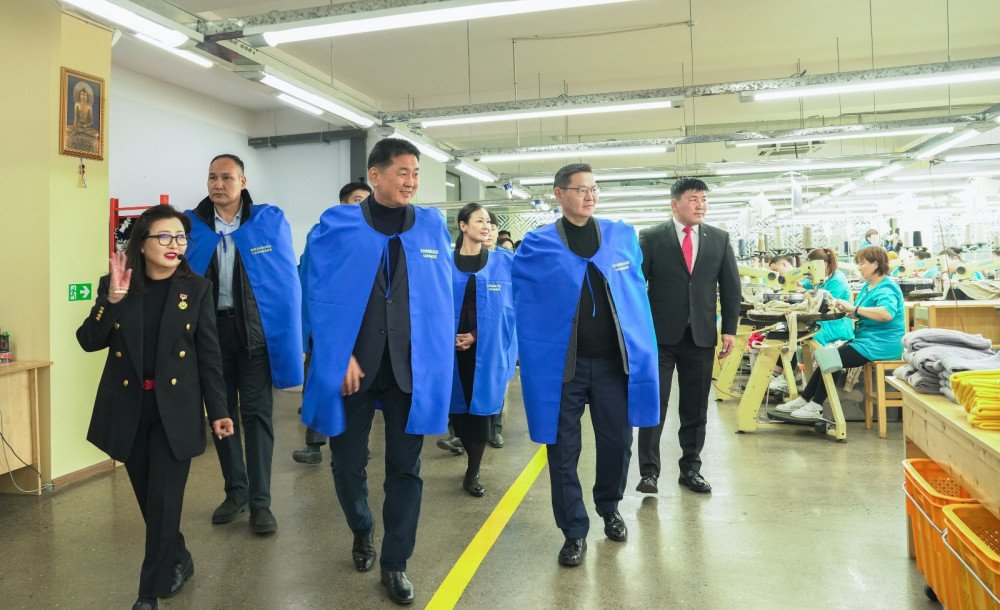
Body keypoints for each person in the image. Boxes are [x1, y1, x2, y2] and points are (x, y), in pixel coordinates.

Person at [301, 138, 454, 605]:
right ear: (375, 175)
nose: (411, 181)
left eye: (416, 173)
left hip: (411, 368)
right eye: (402, 171)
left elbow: (441, 295)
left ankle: (395, 562)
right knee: (347, 463)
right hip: (356, 367)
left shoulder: (431, 226)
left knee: (406, 469)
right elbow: (316, 294)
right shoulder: (338, 225)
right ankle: (362, 527)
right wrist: (335, 354)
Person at [76, 205, 235, 610]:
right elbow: (89, 340)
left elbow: (209, 356)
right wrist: (111, 301)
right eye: (164, 236)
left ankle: (149, 592)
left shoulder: (196, 289)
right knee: (154, 503)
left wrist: (219, 409)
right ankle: (179, 556)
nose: (174, 244)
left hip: (174, 411)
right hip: (129, 409)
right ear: (142, 243)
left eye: (180, 237)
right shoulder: (117, 284)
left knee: (164, 501)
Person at [513, 163, 659, 567]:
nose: (590, 195)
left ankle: (609, 507)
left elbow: (635, 293)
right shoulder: (537, 245)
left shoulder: (620, 235)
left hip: (614, 364)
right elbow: (522, 300)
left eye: (594, 188)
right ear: (559, 194)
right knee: (562, 451)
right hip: (564, 368)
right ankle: (574, 530)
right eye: (580, 189)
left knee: (617, 444)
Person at [184, 154, 303, 535]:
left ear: (243, 181)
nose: (218, 184)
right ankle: (236, 490)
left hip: (253, 335)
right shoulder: (192, 226)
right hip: (210, 335)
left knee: (257, 415)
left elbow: (284, 283)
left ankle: (261, 502)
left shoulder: (266, 222)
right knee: (222, 416)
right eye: (212, 177)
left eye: (226, 177)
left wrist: (290, 336)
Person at [635, 177, 741, 495]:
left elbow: (731, 287)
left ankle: (690, 468)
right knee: (655, 403)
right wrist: (637, 332)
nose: (701, 205)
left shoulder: (719, 239)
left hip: (701, 335)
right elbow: (637, 286)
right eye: (693, 199)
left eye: (704, 199)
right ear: (675, 204)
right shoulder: (652, 237)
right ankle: (649, 472)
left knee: (695, 407)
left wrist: (730, 330)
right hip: (659, 337)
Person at [292, 181, 372, 465]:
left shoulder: (374, 237)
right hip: (326, 324)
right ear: (342, 204)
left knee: (360, 387)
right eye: (357, 200)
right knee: (320, 381)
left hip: (363, 327)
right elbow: (309, 280)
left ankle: (357, 443)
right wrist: (310, 327)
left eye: (367, 201)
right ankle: (314, 445)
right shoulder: (322, 233)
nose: (363, 206)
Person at [777, 246, 905, 419]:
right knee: (828, 355)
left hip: (881, 344)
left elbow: (886, 314)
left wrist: (854, 308)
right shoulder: (869, 286)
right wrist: (841, 306)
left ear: (875, 264)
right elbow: (860, 313)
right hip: (865, 339)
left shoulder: (887, 287)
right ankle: (804, 399)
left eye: (862, 263)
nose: (859, 267)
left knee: (831, 358)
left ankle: (816, 405)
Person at [448, 202, 516, 497]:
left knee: (480, 415)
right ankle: (460, 443)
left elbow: (507, 310)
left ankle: (472, 471)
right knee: (457, 411)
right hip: (448, 349)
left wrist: (475, 336)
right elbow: (429, 304)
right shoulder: (443, 262)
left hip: (485, 350)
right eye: (479, 220)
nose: (486, 226)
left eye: (489, 221)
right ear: (463, 225)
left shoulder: (503, 262)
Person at [802, 247, 855, 345]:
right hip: (823, 323)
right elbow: (806, 284)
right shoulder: (822, 277)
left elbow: (823, 304)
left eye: (811, 268)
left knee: (806, 339)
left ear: (824, 265)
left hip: (834, 329)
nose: (810, 271)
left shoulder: (837, 281)